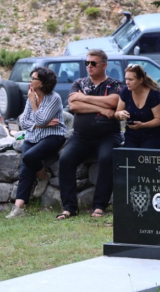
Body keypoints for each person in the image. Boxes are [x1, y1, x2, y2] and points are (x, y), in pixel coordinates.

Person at [57, 49, 122, 219]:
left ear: (104, 65)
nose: (89, 66)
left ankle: (100, 206)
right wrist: (100, 108)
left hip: (108, 136)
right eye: (87, 63)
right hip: (81, 137)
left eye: (93, 63)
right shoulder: (79, 83)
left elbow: (113, 101)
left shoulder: (114, 84)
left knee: (107, 158)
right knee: (65, 159)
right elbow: (73, 106)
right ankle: (70, 207)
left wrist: (83, 98)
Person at [5, 68, 67, 219]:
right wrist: (41, 124)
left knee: (29, 157)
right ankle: (18, 207)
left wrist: (34, 103)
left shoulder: (54, 98)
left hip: (53, 136)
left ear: (43, 83)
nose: (30, 81)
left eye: (33, 78)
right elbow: (22, 121)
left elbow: (39, 119)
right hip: (32, 136)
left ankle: (43, 176)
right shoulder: (30, 96)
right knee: (26, 169)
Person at [115, 64, 160, 149]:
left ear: (140, 80)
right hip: (131, 135)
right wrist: (120, 114)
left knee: (144, 157)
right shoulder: (125, 92)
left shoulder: (153, 94)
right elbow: (116, 114)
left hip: (152, 135)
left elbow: (159, 120)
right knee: (129, 159)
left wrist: (142, 125)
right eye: (126, 79)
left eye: (131, 79)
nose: (127, 82)